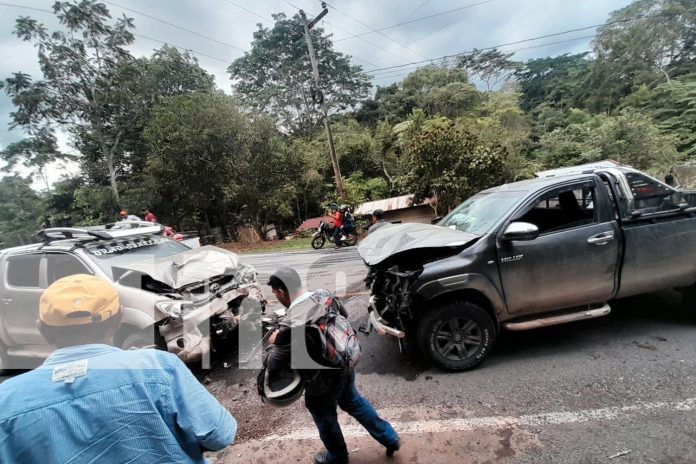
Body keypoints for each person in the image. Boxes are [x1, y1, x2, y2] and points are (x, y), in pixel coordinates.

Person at [0, 274, 237, 464]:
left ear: (43, 330)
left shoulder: (6, 401)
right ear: (117, 319)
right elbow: (221, 435)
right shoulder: (158, 368)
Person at [266, 268, 400, 464]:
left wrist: (274, 340)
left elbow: (274, 362)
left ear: (280, 292)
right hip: (345, 363)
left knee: (325, 417)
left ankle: (337, 457)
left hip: (321, 382)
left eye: (275, 294)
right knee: (354, 402)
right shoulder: (324, 295)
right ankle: (390, 438)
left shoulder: (291, 322)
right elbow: (343, 315)